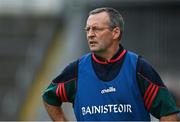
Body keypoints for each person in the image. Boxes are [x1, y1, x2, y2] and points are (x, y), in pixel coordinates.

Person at [42, 7, 180, 121]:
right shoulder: (76, 71)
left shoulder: (138, 68)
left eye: (96, 29)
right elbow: (49, 97)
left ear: (115, 32)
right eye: (88, 29)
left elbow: (169, 114)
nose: (90, 34)